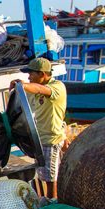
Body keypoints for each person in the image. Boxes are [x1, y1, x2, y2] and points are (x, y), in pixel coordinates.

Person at [12, 57, 66, 200]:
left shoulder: (57, 87)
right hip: (39, 140)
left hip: (51, 139)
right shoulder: (33, 91)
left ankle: (52, 205)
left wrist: (22, 86)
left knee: (50, 178)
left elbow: (41, 89)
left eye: (31, 74)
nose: (29, 77)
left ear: (42, 74)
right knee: (43, 175)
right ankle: (48, 202)